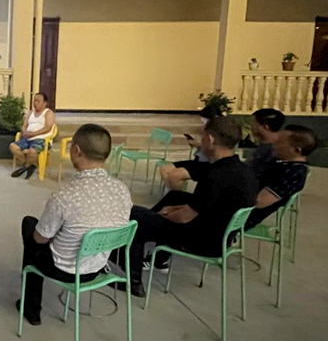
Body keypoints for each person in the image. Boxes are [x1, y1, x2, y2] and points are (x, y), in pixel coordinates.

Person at [125, 117, 257, 297]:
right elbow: (203, 204)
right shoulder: (246, 171)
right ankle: (158, 259)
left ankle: (133, 281)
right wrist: (171, 209)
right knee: (175, 196)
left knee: (137, 215)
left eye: (202, 137)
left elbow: (184, 217)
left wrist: (163, 216)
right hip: (220, 236)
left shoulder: (216, 175)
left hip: (202, 241)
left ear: (210, 139)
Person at [17, 124, 131, 326]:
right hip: (98, 265)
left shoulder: (65, 195)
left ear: (76, 151)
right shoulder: (122, 190)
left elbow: (40, 238)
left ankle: (31, 308)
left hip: (65, 269)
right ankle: (30, 305)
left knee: (30, 227)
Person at [245, 125, 315, 231]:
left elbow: (259, 201)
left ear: (296, 150)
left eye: (279, 142)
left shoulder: (293, 174)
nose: (273, 143)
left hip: (239, 217)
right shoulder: (282, 164)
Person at [160, 106, 222, 189]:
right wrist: (196, 144)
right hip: (199, 160)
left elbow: (215, 150)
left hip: (208, 164)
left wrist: (200, 144)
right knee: (164, 169)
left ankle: (178, 195)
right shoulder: (207, 128)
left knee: (175, 175)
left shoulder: (219, 132)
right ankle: (172, 191)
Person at [10, 92, 55, 179]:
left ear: (44, 103)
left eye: (38, 101)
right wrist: (24, 132)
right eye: (35, 101)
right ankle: (29, 165)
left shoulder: (48, 113)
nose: (35, 103)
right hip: (28, 139)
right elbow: (24, 125)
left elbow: (48, 127)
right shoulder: (30, 113)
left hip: (41, 139)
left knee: (32, 151)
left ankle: (24, 168)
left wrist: (33, 134)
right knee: (13, 146)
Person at [248, 108, 286, 179]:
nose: (251, 126)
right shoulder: (262, 146)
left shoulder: (278, 150)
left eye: (254, 123)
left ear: (265, 127)